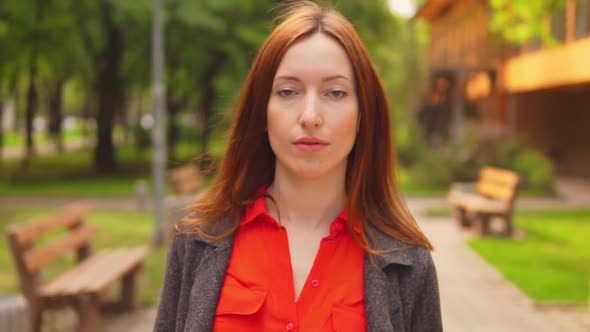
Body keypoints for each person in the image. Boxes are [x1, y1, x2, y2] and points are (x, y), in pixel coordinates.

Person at [154, 2, 442, 331]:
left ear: (363, 115)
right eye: (288, 91)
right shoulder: (195, 242)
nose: (309, 116)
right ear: (262, 111)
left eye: (335, 92)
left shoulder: (409, 263)